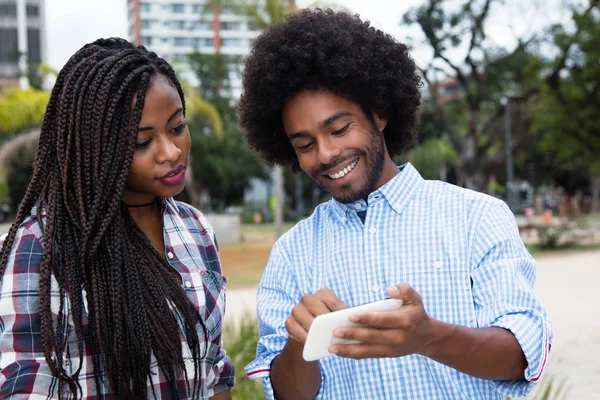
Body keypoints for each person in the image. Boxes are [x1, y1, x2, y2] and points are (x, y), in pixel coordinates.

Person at [239, 9, 551, 400]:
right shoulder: (291, 254)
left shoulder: (476, 217)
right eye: (304, 145)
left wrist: (430, 337)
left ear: (379, 113)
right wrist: (299, 347)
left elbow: (523, 354)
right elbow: (287, 394)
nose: (326, 154)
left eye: (339, 129)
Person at [0, 38, 234, 399]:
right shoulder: (40, 246)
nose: (171, 152)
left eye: (176, 127)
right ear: (96, 149)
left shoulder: (195, 228)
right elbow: (25, 387)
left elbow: (213, 371)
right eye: (142, 143)